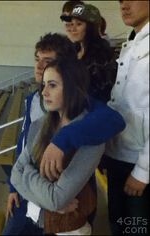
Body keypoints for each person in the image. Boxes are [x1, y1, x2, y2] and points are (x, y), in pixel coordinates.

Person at [3, 33, 125, 235]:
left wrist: (30, 182)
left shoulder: (89, 120)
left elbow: (114, 120)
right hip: (32, 204)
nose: (39, 66)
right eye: (37, 59)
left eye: (47, 61)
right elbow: (19, 159)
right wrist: (16, 187)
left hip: (65, 219)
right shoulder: (37, 107)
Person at [11, 55, 105, 235]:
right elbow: (15, 175)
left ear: (72, 88)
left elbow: (57, 199)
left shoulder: (92, 135)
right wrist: (46, 201)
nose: (44, 92)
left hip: (68, 230)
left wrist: (27, 173)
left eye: (52, 85)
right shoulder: (41, 124)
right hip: (36, 220)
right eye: (44, 85)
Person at [39, 2, 119, 192]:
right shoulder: (73, 52)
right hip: (72, 119)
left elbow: (99, 100)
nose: (71, 27)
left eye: (78, 24)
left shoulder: (103, 56)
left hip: (88, 123)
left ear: (90, 27)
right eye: (69, 23)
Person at [104, 1, 149, 235]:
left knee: (137, 229)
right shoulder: (133, 43)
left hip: (139, 165)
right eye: (121, 0)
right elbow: (120, 103)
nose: (124, 5)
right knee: (118, 225)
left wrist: (143, 172)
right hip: (119, 157)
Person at [60, 3, 116, 103]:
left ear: (91, 27)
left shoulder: (102, 54)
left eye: (79, 24)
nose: (73, 29)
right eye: (72, 24)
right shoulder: (74, 50)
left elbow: (101, 94)